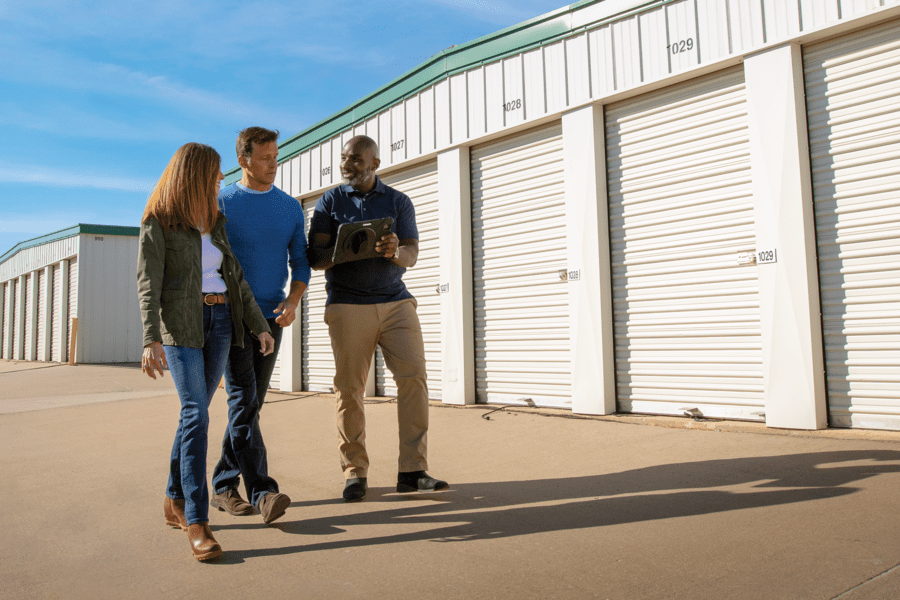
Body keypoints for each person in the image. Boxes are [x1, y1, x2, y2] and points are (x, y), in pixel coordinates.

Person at [137, 142, 276, 562]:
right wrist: (149, 338)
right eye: (214, 172)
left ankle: (172, 499)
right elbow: (148, 283)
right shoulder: (158, 221)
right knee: (197, 412)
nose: (220, 179)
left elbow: (236, 280)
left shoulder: (215, 221)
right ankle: (197, 521)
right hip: (181, 326)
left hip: (220, 324)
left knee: (191, 414)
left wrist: (259, 326)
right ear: (194, 173)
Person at [308, 135, 448, 502]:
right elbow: (315, 256)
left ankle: (413, 471)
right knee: (350, 390)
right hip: (348, 305)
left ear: (375, 163)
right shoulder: (330, 201)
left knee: (414, 378)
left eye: (355, 159)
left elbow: (412, 253)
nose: (346, 165)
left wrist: (393, 251)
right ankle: (355, 472)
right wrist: (343, 249)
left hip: (396, 302)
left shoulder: (398, 201)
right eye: (343, 159)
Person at [209, 127, 310, 521]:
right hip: (230, 319)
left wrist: (293, 300)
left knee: (250, 405)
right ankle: (264, 492)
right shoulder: (221, 202)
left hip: (272, 319)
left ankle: (222, 484)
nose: (273, 164)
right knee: (244, 402)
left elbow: (299, 262)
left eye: (275, 156)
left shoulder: (289, 208)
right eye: (265, 157)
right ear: (243, 159)